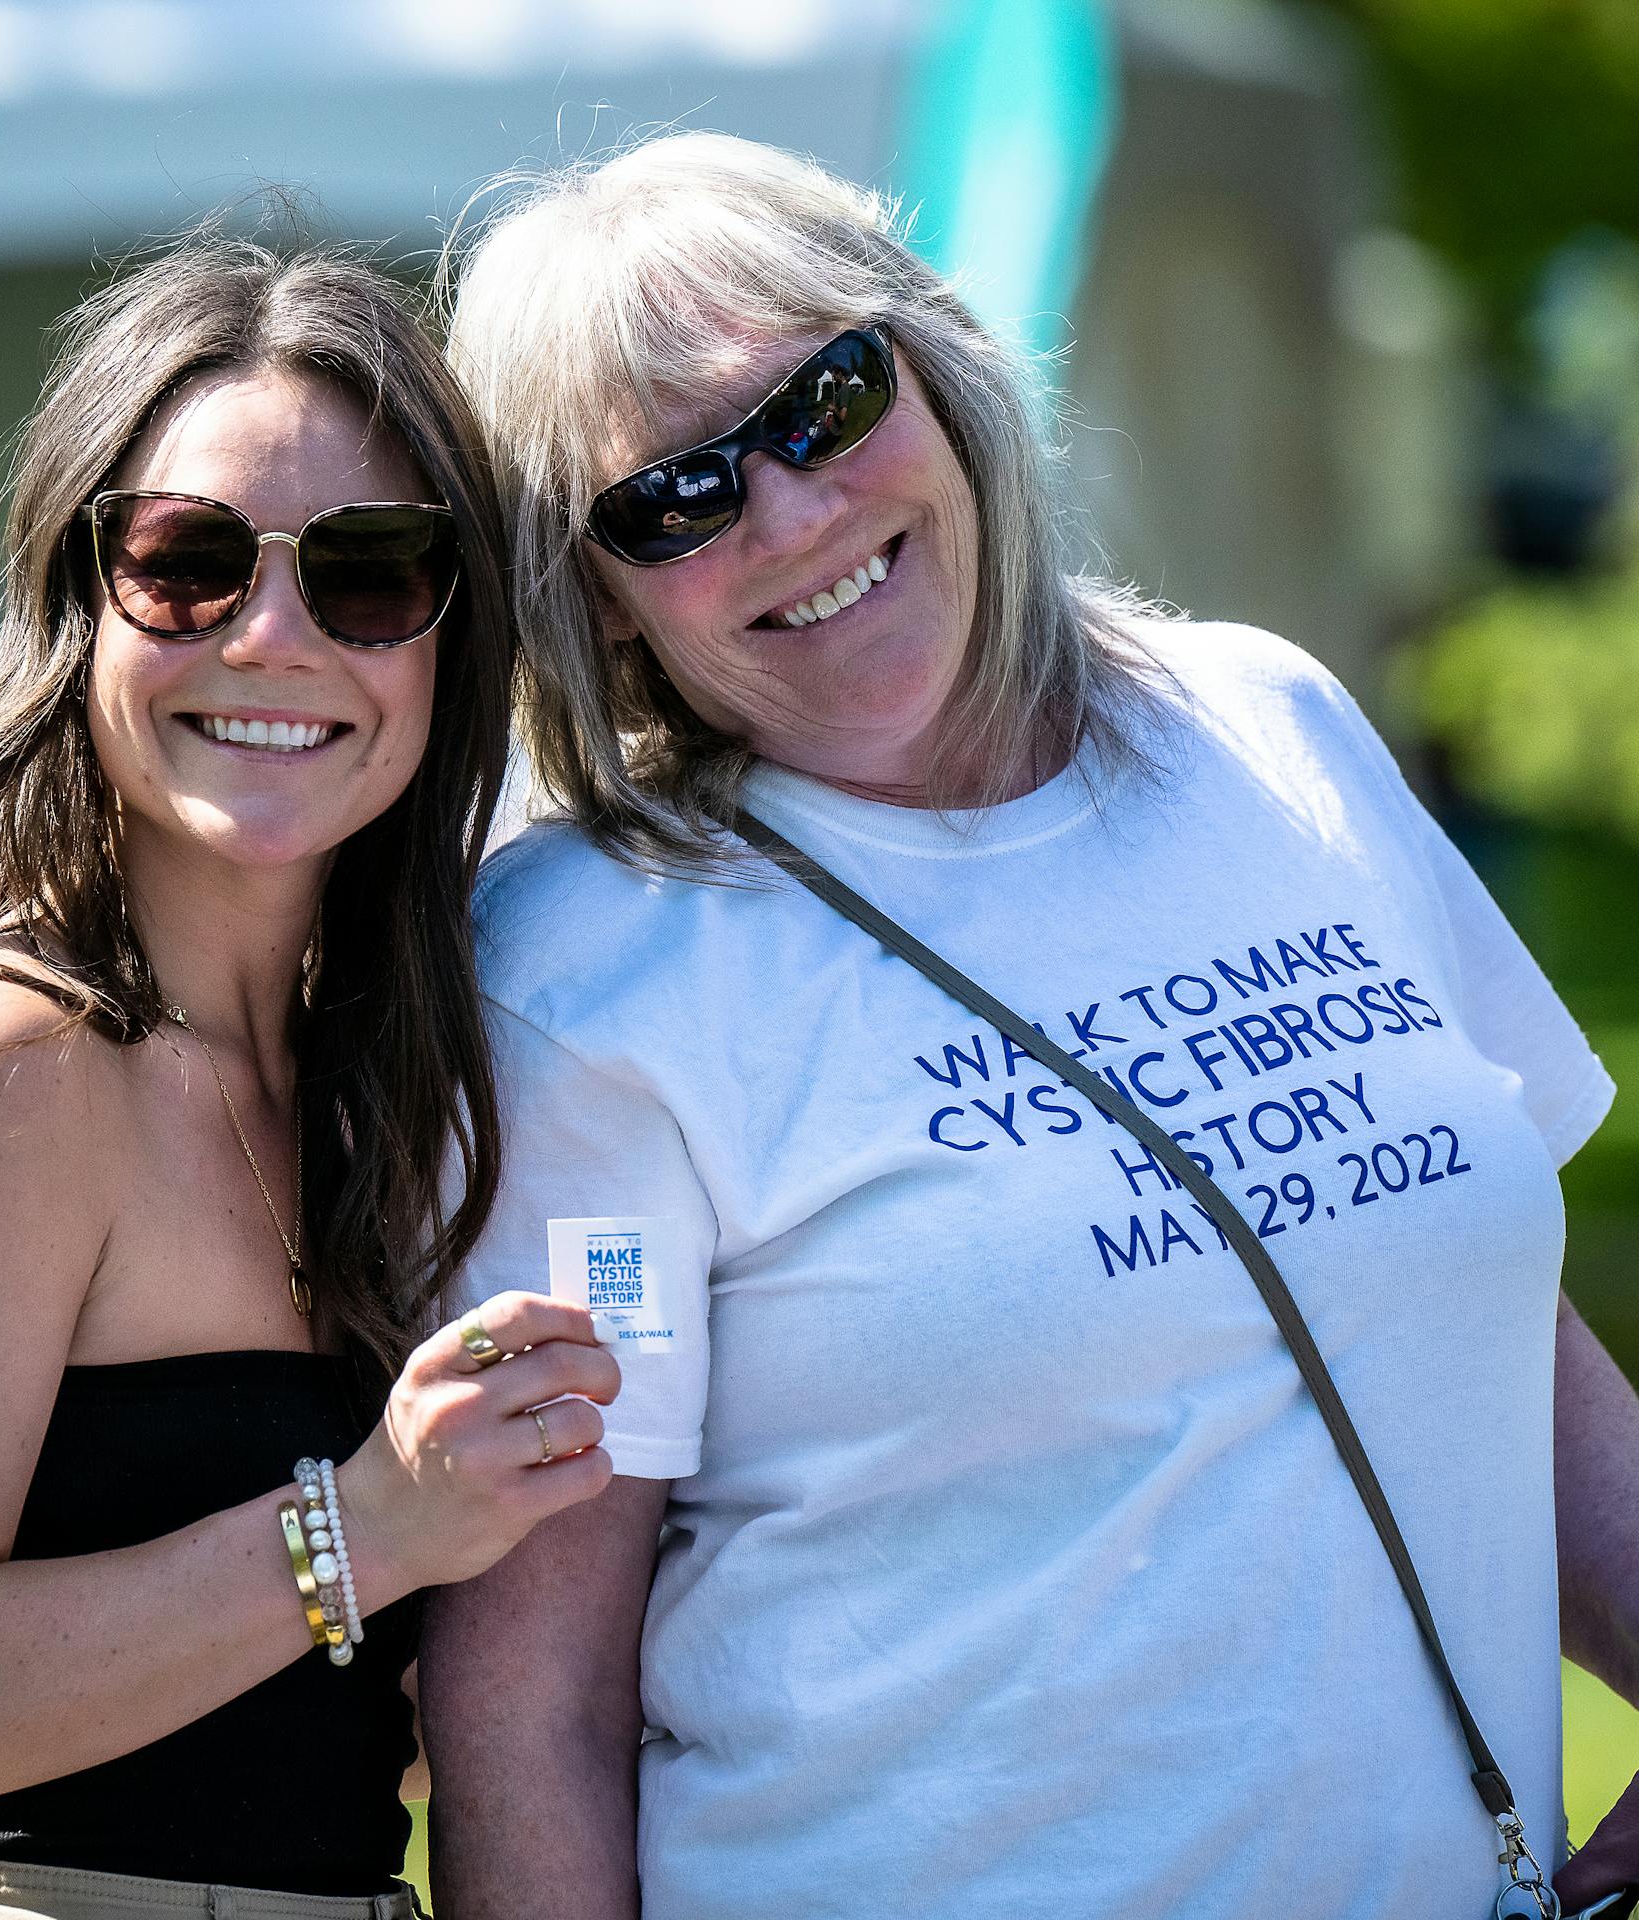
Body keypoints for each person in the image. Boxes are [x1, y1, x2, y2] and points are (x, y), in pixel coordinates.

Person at [420, 132, 1639, 1920]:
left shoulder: (1268, 728)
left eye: (826, 402)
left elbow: (1494, 1332)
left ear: (937, 363)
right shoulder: (582, 970)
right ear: (586, 592)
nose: (792, 513)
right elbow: (532, 1704)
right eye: (670, 502)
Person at [0, 233, 618, 1920]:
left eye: (367, 573)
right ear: (79, 598)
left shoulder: (378, 1083)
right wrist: (357, 1530)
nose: (274, 636)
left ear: (447, 636)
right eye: (189, 561)